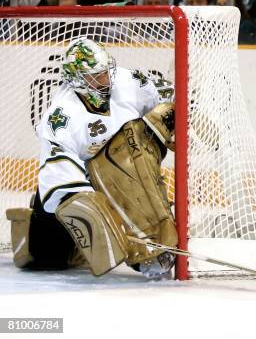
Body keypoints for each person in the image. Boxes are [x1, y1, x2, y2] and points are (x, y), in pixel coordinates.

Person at [5, 37, 177, 278]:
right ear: (75, 80)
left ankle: (152, 237)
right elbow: (58, 182)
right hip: (79, 187)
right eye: (95, 77)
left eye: (105, 72)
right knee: (51, 259)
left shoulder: (130, 81)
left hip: (120, 172)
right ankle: (39, 231)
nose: (105, 80)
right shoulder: (61, 118)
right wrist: (97, 217)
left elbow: (167, 101)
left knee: (131, 144)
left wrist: (178, 117)